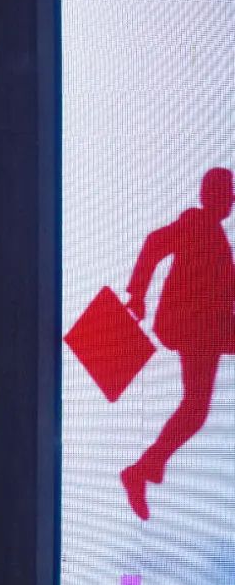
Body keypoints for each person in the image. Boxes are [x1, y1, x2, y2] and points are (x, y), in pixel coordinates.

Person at [120, 166, 235, 520]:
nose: (232, 200)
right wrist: (137, 294)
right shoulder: (196, 223)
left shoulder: (216, 237)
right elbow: (155, 244)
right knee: (196, 407)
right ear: (214, 195)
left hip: (208, 327)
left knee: (196, 409)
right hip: (195, 324)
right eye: (228, 192)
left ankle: (144, 467)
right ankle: (144, 467)